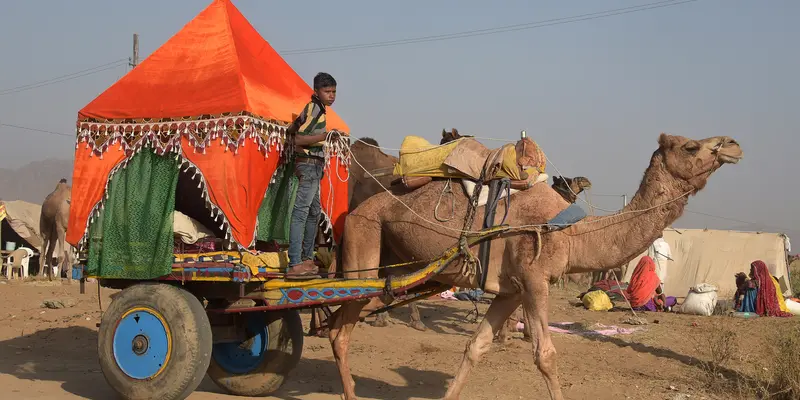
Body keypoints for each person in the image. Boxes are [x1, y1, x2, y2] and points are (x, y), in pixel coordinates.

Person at [284, 72, 338, 279]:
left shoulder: (316, 109)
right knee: (301, 212)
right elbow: (298, 138)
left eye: (334, 92)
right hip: (308, 165)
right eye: (327, 91)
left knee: (314, 213)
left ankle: (307, 259)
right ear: (317, 91)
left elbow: (293, 127)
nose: (331, 95)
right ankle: (295, 262)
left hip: (314, 166)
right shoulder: (315, 108)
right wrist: (325, 136)